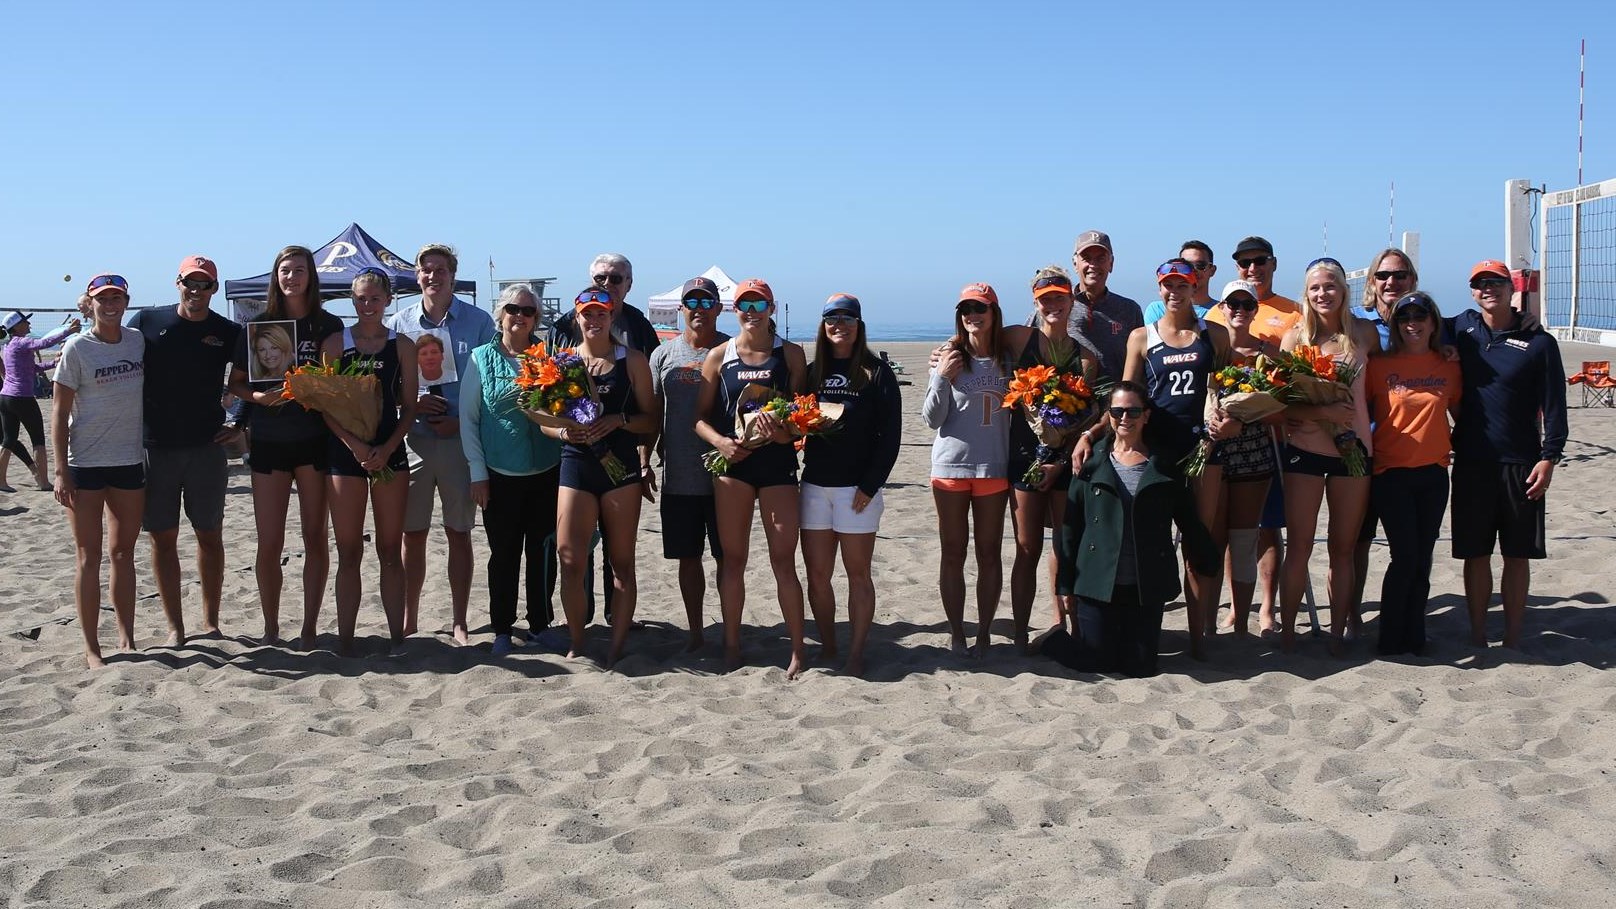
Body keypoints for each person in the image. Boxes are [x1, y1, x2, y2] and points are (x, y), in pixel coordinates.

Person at [1045, 381, 1217, 677]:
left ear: (1146, 415)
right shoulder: (1090, 461)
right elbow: (1071, 528)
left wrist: (1208, 558)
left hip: (1144, 584)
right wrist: (1066, 586)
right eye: (1117, 411)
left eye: (1133, 410)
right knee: (1095, 662)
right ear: (1109, 415)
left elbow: (1188, 518)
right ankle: (1052, 640)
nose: (1125, 417)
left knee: (1141, 667)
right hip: (1097, 583)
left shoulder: (1164, 464)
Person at [227, 246, 344, 645]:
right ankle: (271, 627)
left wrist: (314, 388)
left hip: (314, 441)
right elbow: (237, 383)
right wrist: (257, 399)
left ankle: (310, 626)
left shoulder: (328, 325)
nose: (291, 277)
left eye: (298, 270)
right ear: (275, 277)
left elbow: (336, 384)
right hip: (269, 442)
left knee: (315, 536)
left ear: (311, 276)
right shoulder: (258, 325)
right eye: (284, 270)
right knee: (270, 540)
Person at [693, 278, 810, 677]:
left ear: (771, 309)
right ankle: (731, 646)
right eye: (745, 304)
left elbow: (802, 419)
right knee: (734, 561)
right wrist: (722, 444)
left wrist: (785, 433)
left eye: (759, 305)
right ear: (735, 310)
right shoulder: (719, 356)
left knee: (783, 560)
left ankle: (797, 649)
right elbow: (698, 418)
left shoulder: (791, 355)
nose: (752, 312)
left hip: (776, 467)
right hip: (734, 468)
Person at [1448, 260, 1567, 649]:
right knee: (1476, 555)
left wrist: (1550, 458)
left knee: (1517, 556)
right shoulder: (1462, 328)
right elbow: (1411, 322)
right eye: (1480, 283)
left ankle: (1513, 636)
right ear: (1471, 291)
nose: (1488, 289)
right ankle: (1479, 635)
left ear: (1510, 288)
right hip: (1471, 462)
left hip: (1522, 463)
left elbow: (1555, 408)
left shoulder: (1539, 342)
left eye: (1496, 283)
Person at [126, 255, 241, 645]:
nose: (196, 290)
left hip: (206, 448)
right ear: (177, 282)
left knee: (209, 534)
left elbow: (249, 378)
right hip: (156, 447)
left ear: (214, 288)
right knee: (163, 537)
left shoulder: (227, 331)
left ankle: (210, 621)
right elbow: (115, 360)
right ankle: (176, 626)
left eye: (205, 284)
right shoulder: (147, 322)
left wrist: (240, 422)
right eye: (190, 282)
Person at [385, 244, 495, 646]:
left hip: (458, 441)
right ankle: (411, 616)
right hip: (412, 440)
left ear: (452, 275)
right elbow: (387, 386)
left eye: (441, 269)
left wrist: (459, 421)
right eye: (426, 270)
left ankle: (460, 620)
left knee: (458, 532)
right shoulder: (398, 322)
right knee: (411, 535)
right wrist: (408, 402)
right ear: (417, 275)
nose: (433, 276)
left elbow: (489, 383)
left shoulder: (480, 322)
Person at [543, 287, 659, 667]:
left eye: (601, 314)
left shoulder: (633, 361)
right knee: (570, 558)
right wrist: (564, 432)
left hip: (620, 468)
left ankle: (617, 643)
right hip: (576, 463)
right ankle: (577, 640)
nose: (594, 321)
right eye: (587, 314)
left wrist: (618, 420)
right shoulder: (562, 362)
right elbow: (544, 419)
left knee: (621, 563)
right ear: (576, 318)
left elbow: (650, 419)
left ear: (612, 318)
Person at [1122, 258, 1232, 656]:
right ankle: (1147, 630)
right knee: (1151, 542)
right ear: (1159, 288)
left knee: (1199, 543)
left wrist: (1225, 423)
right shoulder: (1142, 337)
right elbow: (1127, 397)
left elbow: (1228, 391)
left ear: (1195, 285)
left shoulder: (1214, 334)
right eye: (1168, 285)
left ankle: (1198, 636)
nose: (1174, 291)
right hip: (1159, 453)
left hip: (1204, 451)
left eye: (1182, 284)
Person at [1277, 257, 1377, 654]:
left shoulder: (1365, 334)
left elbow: (1415, 337)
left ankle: (1337, 633)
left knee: (1343, 547)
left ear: (1343, 290)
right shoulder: (1295, 338)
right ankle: (1286, 633)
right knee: (1299, 545)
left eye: (1330, 286)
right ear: (1306, 293)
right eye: (1316, 288)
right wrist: (1322, 413)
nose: (1323, 293)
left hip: (1352, 451)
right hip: (1306, 449)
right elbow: (1281, 404)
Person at [1205, 236, 1303, 641]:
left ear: (1273, 263)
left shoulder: (1291, 313)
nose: (1252, 267)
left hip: (1265, 442)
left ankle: (1265, 608)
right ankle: (1232, 608)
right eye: (1244, 262)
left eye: (1259, 261)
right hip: (1216, 447)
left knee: (1266, 528)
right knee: (1224, 529)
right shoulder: (1211, 320)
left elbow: (1294, 379)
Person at [801, 293, 902, 676]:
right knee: (818, 575)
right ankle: (828, 646)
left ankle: (856, 652)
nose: (838, 325)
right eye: (831, 319)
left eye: (846, 318)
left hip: (857, 491)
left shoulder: (876, 372)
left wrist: (870, 485)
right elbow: (796, 421)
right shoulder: (814, 372)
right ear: (823, 325)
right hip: (814, 487)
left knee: (858, 575)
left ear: (859, 325)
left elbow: (890, 436)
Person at [319, 268, 416, 656]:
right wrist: (356, 445)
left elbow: (409, 407)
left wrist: (389, 446)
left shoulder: (403, 346)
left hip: (389, 450)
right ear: (352, 301)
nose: (368, 305)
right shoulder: (335, 343)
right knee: (348, 551)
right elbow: (325, 406)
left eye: (376, 298)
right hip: (345, 453)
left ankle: (396, 639)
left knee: (391, 550)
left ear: (388, 300)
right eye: (361, 298)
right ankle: (346, 640)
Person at [52, 275, 146, 668]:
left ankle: (127, 636)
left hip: (128, 461)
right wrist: (59, 471)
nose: (109, 304)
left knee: (124, 553)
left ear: (126, 302)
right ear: (89, 304)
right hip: (84, 464)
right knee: (88, 556)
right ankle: (92, 647)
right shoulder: (76, 348)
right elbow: (58, 413)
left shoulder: (137, 341)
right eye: (101, 298)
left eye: (116, 297)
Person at [462, 283, 561, 657]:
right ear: (500, 314)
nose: (520, 317)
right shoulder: (479, 358)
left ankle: (540, 624)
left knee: (541, 554)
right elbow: (469, 420)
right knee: (503, 555)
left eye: (528, 311)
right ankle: (502, 628)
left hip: (545, 470)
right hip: (498, 474)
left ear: (536, 318)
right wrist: (477, 473)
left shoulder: (547, 358)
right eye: (513, 310)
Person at [1007, 267, 1099, 651]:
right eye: (1045, 299)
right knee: (1027, 548)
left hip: (1065, 462)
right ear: (1035, 301)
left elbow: (1090, 416)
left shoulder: (1086, 358)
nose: (1053, 305)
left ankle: (1072, 626)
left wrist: (1061, 459)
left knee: (1067, 545)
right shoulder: (1017, 338)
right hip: (1025, 458)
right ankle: (1019, 633)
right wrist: (942, 353)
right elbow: (971, 334)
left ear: (1071, 300)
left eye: (1060, 297)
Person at [1366, 291, 1460, 656]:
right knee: (1404, 556)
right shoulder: (1378, 366)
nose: (1413, 324)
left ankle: (1415, 634)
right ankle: (1390, 637)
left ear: (1434, 322)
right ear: (1396, 324)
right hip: (1391, 473)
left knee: (1423, 558)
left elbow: (1462, 414)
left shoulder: (1450, 364)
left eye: (1421, 317)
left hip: (1434, 474)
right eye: (1405, 318)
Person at [924, 282, 1012, 655]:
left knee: (989, 552)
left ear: (994, 313)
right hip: (950, 468)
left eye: (980, 308)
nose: (972, 315)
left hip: (993, 468)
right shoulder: (949, 359)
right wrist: (943, 376)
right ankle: (958, 633)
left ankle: (985, 633)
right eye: (965, 310)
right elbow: (931, 418)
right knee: (953, 552)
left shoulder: (1011, 359)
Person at [647, 276, 730, 651]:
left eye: (705, 301)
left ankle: (730, 631)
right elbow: (651, 415)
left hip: (728, 477)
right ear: (681, 309)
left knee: (727, 558)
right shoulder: (663, 355)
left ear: (717, 307)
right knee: (688, 557)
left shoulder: (732, 350)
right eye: (691, 302)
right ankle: (696, 632)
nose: (698, 308)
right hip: (678, 474)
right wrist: (643, 461)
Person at [1202, 280, 1282, 635]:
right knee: (1212, 541)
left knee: (1245, 540)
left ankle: (1239, 623)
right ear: (1221, 306)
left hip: (1254, 454)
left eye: (1247, 304)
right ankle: (1205, 623)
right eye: (1232, 303)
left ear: (1255, 310)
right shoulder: (1207, 349)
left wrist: (1245, 418)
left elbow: (1287, 409)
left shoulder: (1270, 354)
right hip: (1213, 453)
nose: (1239, 310)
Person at [1030, 230, 1141, 381]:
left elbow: (1140, 362)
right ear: (1075, 264)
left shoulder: (1129, 309)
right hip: (1066, 400)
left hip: (1117, 401)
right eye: (1086, 259)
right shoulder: (1053, 309)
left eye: (1100, 259)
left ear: (1111, 263)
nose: (1093, 265)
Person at [3, 309, 79, 490]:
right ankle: (43, 482)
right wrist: (69, 331)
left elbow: (33, 368)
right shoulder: (21, 342)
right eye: (26, 322)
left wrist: (54, 363)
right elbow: (44, 342)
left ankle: (1, 481)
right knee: (38, 439)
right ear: (17, 326)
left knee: (8, 440)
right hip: (22, 398)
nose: (29, 324)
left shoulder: (8, 346)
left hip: (6, 398)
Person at [1141, 240, 1217, 324]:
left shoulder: (1224, 311)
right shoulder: (1157, 309)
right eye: (1187, 266)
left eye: (1200, 265)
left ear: (1212, 270)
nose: (1193, 270)